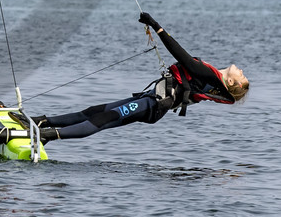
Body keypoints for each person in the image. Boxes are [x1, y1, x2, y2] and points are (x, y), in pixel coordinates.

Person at [36, 12, 250, 141]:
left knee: (104, 118)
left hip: (153, 106)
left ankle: (47, 135)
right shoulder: (212, 81)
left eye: (242, 76)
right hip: (149, 100)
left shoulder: (211, 78)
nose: (241, 71)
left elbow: (181, 55)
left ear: (231, 82)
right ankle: (42, 122)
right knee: (95, 112)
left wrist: (156, 26)